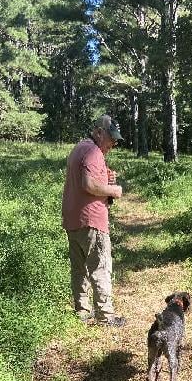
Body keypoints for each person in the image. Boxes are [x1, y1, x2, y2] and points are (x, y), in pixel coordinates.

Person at [62, 114, 126, 328]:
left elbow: (85, 182)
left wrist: (106, 180)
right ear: (99, 132)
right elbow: (88, 184)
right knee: (101, 266)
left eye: (116, 140)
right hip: (92, 220)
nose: (113, 143)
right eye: (111, 138)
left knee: (79, 269)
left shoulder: (80, 148)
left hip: (73, 219)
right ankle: (105, 316)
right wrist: (113, 190)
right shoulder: (93, 151)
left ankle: (82, 310)